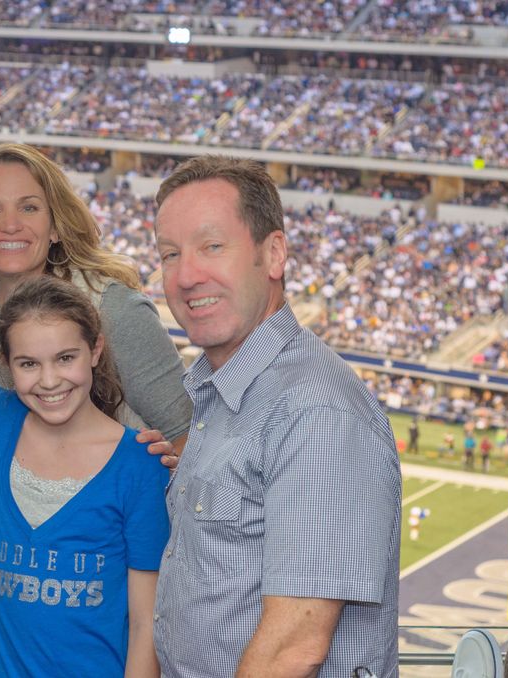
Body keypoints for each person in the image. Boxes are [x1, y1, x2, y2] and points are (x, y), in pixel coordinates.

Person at [152, 155, 401, 677]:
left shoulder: (316, 412)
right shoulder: (228, 390)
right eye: (170, 254)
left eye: (212, 246)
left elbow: (294, 649)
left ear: (274, 254)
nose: (186, 275)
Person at [0, 143, 191, 462]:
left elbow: (190, 435)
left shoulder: (112, 307)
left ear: (55, 226)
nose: (10, 225)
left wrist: (126, 485)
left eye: (29, 207)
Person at [0, 276, 167, 676]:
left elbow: (146, 624)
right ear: (7, 364)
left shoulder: (142, 464)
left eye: (65, 358)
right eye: (28, 363)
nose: (49, 380)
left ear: (95, 350)